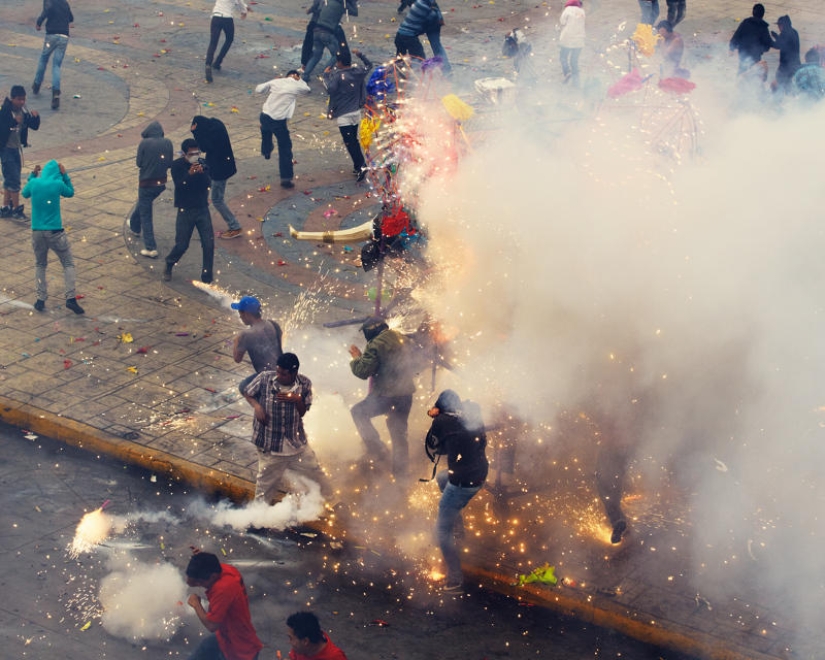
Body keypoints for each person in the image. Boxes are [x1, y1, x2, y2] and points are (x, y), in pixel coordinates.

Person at [243, 352, 329, 503]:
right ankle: (258, 518)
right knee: (266, 484)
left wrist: (297, 399)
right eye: (278, 371)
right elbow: (248, 392)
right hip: (270, 444)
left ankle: (333, 502)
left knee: (316, 472)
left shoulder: (304, 384)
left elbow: (302, 412)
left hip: (295, 442)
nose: (279, 376)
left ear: (294, 373)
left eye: (284, 374)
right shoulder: (265, 378)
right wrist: (257, 407)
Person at [424, 390, 488, 592]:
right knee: (442, 477)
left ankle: (455, 580)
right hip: (479, 473)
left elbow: (434, 448)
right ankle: (458, 527)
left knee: (441, 532)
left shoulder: (443, 422)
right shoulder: (472, 413)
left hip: (462, 481)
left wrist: (436, 418)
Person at [348, 317, 416, 478]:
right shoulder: (402, 338)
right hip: (406, 395)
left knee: (358, 412)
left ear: (370, 331)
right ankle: (401, 475)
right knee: (399, 434)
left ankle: (378, 451)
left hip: (386, 396)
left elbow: (363, 371)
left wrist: (357, 357)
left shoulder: (376, 344)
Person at [22, 160, 83, 314]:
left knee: (40, 264)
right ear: (56, 172)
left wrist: (32, 176)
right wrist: (65, 175)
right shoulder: (57, 184)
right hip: (55, 231)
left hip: (37, 231)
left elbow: (24, 193)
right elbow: (70, 192)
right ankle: (70, 298)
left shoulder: (35, 183)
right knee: (68, 263)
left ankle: (40, 299)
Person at [185, 551, 263, 660]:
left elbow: (212, 625)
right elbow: (191, 581)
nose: (198, 585)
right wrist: (199, 560)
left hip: (238, 649)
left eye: (200, 583)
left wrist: (196, 604)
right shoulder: (223, 569)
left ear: (212, 577)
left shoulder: (223, 589)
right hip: (224, 636)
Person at [163, 139, 214, 284]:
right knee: (182, 244)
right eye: (192, 154)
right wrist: (189, 175)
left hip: (202, 208)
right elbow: (180, 185)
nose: (195, 156)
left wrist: (201, 173)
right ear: (184, 154)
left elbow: (208, 183)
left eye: (197, 153)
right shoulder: (177, 166)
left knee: (208, 243)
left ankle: (207, 276)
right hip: (185, 210)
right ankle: (169, 263)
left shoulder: (203, 163)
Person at [323, 50, 373, 182]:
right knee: (353, 141)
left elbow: (330, 89)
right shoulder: (358, 72)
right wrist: (361, 54)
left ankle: (361, 165)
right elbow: (369, 65)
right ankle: (358, 166)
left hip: (344, 116)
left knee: (350, 143)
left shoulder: (338, 76)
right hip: (356, 113)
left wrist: (326, 75)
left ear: (339, 62)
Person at [256, 71, 310, 189]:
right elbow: (307, 90)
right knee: (285, 147)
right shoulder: (296, 85)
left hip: (265, 115)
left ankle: (266, 150)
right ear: (296, 76)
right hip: (278, 121)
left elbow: (259, 89)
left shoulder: (277, 82)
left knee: (266, 131)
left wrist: (271, 82)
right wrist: (299, 80)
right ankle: (286, 178)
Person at [190, 115, 242, 239]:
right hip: (223, 165)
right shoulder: (216, 123)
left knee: (217, 200)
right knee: (206, 187)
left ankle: (235, 226)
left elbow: (204, 147)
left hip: (220, 170)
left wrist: (195, 132)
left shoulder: (211, 136)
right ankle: (199, 215)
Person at [129, 121, 173, 258]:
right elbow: (170, 163)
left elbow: (139, 163)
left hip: (146, 183)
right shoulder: (168, 142)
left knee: (146, 214)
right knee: (143, 204)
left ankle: (150, 247)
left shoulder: (144, 143)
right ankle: (135, 227)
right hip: (160, 183)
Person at [0, 86, 40, 221]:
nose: (22, 102)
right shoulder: (5, 111)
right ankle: (16, 209)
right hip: (6, 150)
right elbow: (3, 130)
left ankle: (6, 207)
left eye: (23, 99)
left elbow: (33, 126)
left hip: (16, 149)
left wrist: (36, 118)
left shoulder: (23, 111)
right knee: (14, 180)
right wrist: (13, 122)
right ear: (13, 99)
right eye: (19, 99)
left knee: (10, 179)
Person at [231, 295, 283, 393]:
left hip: (268, 377)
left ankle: (260, 406)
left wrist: (236, 341)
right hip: (283, 371)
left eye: (240, 313)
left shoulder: (246, 334)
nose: (240, 316)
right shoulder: (272, 323)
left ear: (246, 314)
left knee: (244, 387)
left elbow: (237, 359)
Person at [32, 0, 74, 110]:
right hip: (64, 36)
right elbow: (71, 18)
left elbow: (46, 10)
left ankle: (37, 84)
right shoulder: (64, 3)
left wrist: (39, 22)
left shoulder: (49, 1)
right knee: (56, 65)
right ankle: (55, 93)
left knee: (43, 59)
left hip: (51, 35)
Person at [395, 0, 451, 74]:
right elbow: (433, 18)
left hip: (399, 35)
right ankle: (417, 77)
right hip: (410, 37)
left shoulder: (418, 3)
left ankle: (398, 73)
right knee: (419, 59)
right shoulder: (425, 7)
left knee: (401, 57)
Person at [301, 0, 352, 74]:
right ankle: (344, 65)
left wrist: (310, 10)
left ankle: (305, 68)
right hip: (328, 25)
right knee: (338, 48)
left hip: (319, 24)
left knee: (314, 50)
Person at [204, 0, 249, 83]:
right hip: (227, 19)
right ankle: (218, 61)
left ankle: (208, 64)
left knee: (213, 42)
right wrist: (244, 11)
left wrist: (244, 8)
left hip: (216, 17)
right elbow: (239, 3)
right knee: (229, 39)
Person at [729, 4, 772, 74]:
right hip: (755, 59)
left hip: (743, 56)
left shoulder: (746, 22)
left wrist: (731, 48)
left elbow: (737, 35)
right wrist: (761, 49)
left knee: (741, 75)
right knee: (753, 77)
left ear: (753, 12)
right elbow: (767, 45)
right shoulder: (763, 27)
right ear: (763, 14)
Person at [769, 15, 801, 94]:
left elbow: (778, 45)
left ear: (782, 25)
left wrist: (768, 41)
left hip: (785, 66)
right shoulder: (794, 32)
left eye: (779, 25)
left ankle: (777, 101)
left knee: (778, 85)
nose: (778, 27)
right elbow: (785, 43)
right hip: (796, 64)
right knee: (790, 86)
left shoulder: (784, 33)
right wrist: (776, 36)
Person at [559, 0, 585, 86]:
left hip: (567, 39)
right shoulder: (582, 11)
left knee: (563, 57)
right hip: (579, 40)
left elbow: (562, 22)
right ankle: (576, 82)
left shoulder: (567, 10)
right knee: (574, 61)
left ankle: (567, 72)